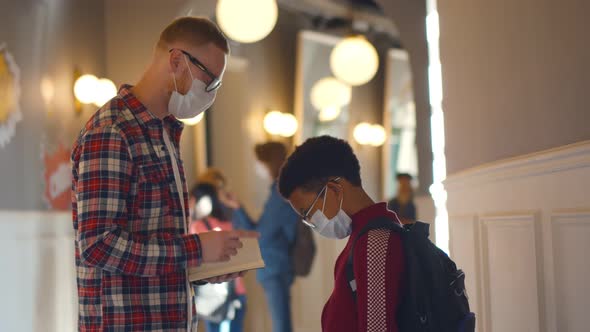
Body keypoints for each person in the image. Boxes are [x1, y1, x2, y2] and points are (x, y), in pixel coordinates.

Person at [71, 17, 257, 331]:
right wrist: (197, 249)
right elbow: (98, 245)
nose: (211, 94)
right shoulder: (113, 132)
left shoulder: (165, 132)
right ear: (176, 61)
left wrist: (201, 264)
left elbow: (155, 245)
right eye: (209, 81)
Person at [277, 136, 405, 332]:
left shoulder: (375, 242)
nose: (312, 221)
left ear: (334, 189)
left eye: (308, 212)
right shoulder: (364, 236)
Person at [220, 142, 299, 332]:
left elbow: (261, 234)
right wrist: (238, 207)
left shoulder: (280, 193)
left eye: (260, 163)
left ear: (268, 164)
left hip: (274, 264)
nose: (257, 167)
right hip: (276, 263)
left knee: (280, 324)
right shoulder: (280, 192)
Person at [188, 182, 248, 332]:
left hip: (215, 298)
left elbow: (191, 255)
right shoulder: (230, 223)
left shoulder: (198, 227)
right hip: (237, 292)